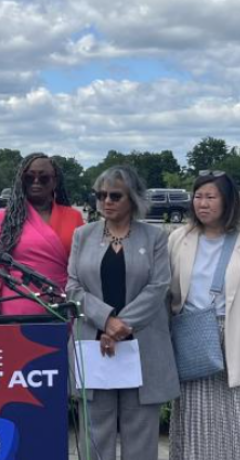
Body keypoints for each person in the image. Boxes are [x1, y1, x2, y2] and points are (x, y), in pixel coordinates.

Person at [167, 172, 240, 460]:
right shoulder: (178, 239)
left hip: (237, 339)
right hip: (193, 339)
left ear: (228, 201)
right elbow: (167, 294)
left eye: (211, 197)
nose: (202, 204)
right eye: (198, 196)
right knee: (198, 420)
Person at [65, 166, 178, 460]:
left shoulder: (154, 236)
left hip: (141, 346)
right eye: (100, 195)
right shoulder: (83, 235)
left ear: (133, 199)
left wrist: (122, 325)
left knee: (140, 433)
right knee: (95, 434)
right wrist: (106, 320)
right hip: (94, 343)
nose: (106, 201)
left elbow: (159, 286)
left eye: (115, 195)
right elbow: (73, 287)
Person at [0, 153, 85, 314]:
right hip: (17, 309)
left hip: (64, 306)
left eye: (44, 178)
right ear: (21, 181)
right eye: (29, 177)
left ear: (55, 181)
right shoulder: (4, 218)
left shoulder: (73, 217)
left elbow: (83, 270)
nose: (36, 182)